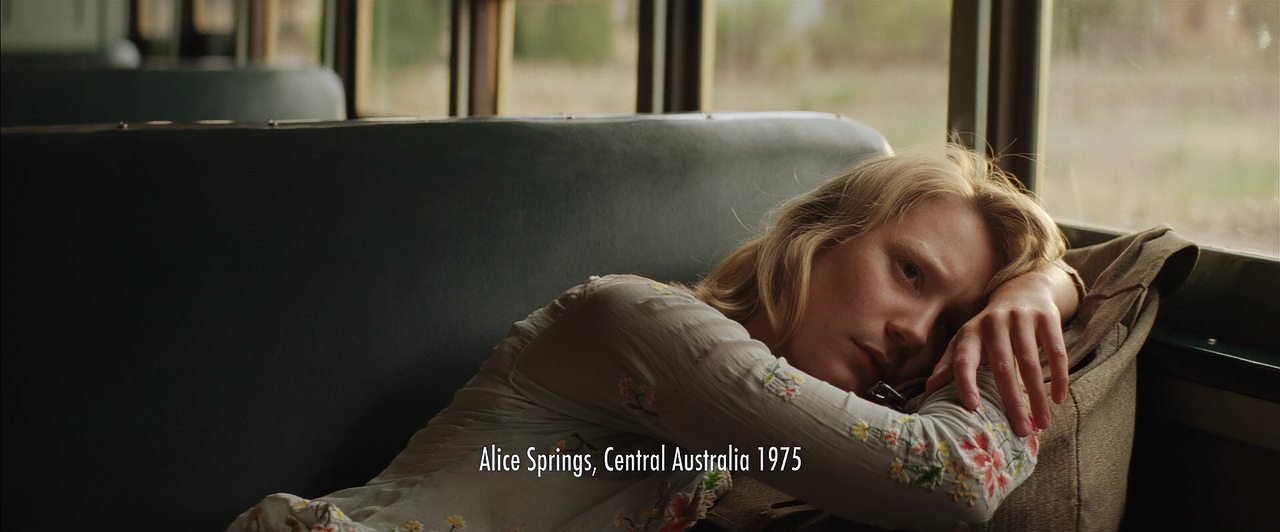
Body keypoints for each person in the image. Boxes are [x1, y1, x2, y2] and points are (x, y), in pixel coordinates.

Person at [228, 145, 1084, 532]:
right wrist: (1021, 327)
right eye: (909, 273)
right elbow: (954, 478)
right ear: (820, 236)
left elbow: (1120, 266)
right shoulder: (638, 324)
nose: (916, 336)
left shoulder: (755, 453)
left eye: (951, 328)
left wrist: (1044, 283)